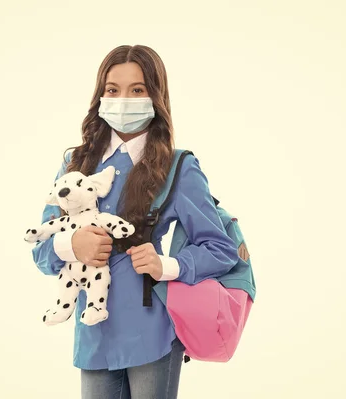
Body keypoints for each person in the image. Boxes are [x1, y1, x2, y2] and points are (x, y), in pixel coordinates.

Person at [31, 44, 239, 399]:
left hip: (152, 331)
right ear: (100, 96)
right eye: (113, 90)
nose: (123, 100)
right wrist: (72, 246)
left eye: (137, 90)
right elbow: (42, 252)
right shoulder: (75, 163)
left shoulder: (178, 167)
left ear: (155, 97)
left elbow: (221, 249)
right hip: (94, 335)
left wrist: (167, 265)